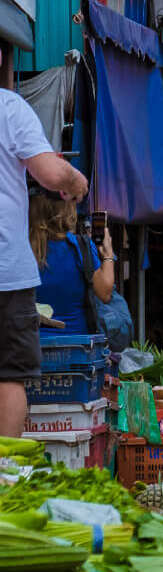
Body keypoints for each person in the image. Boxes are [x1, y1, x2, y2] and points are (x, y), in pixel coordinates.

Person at [0, 75, 88, 437]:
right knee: (8, 376)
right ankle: (3, 480)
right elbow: (52, 174)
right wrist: (75, 182)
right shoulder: (8, 107)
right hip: (5, 272)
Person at [29, 195, 114, 334]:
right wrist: (108, 254)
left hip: (31, 344)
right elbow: (105, 294)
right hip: (77, 345)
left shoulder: (22, 248)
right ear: (66, 210)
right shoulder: (80, 246)